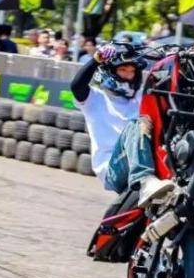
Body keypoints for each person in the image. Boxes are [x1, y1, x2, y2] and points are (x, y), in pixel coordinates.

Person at [71, 43, 177, 225]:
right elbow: (77, 86)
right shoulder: (94, 99)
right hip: (113, 169)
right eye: (123, 70)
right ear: (110, 72)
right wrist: (96, 59)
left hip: (143, 159)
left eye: (132, 71)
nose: (129, 75)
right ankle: (145, 181)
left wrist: (172, 59)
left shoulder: (140, 97)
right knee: (137, 124)